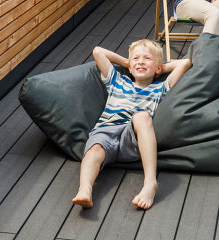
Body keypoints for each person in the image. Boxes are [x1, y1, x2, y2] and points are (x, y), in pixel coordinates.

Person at [72, 39, 192, 210]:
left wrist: (162, 68)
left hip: (133, 139)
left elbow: (185, 63)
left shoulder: (160, 88)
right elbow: (98, 51)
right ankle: (85, 188)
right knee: (94, 151)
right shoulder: (117, 81)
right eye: (136, 59)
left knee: (142, 117)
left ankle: (150, 183)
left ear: (158, 68)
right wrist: (127, 62)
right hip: (106, 131)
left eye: (147, 59)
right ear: (130, 66)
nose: (141, 61)